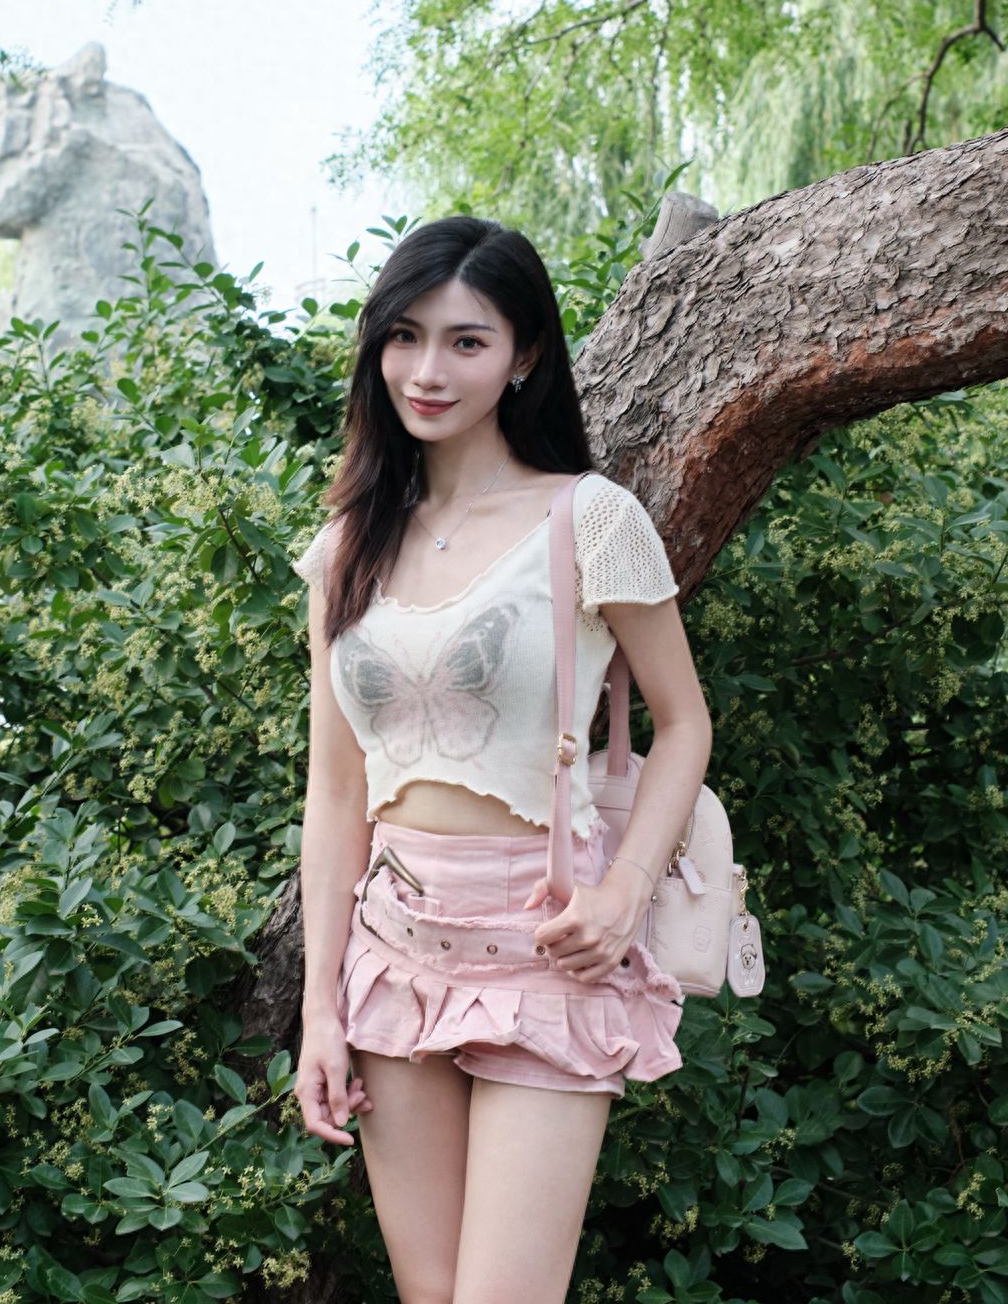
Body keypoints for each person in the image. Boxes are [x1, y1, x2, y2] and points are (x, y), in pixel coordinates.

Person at [291, 215, 714, 1304]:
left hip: (546, 950)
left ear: (523, 355)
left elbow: (685, 723)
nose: (427, 370)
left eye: (466, 342)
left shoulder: (590, 521)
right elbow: (335, 790)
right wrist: (320, 1010)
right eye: (405, 336)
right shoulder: (346, 545)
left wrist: (624, 892)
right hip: (394, 951)